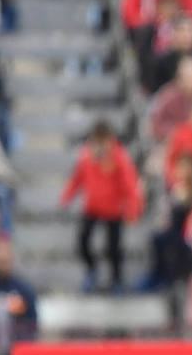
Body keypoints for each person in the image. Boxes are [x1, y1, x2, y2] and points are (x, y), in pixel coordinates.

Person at [59, 122, 145, 293]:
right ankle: (92, 270)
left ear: (109, 140)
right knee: (83, 240)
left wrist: (133, 210)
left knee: (114, 248)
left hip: (113, 210)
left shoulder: (120, 158)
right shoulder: (86, 157)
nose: (100, 146)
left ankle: (117, 280)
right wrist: (66, 198)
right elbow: (77, 179)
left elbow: (130, 186)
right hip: (91, 208)